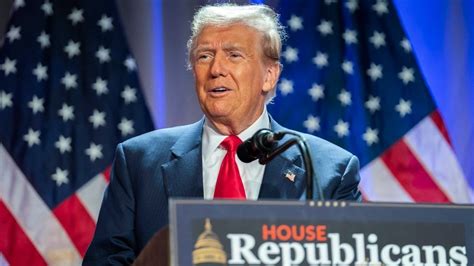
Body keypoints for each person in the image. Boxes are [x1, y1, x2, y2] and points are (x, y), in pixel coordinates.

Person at [83, 3, 361, 264]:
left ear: (269, 75)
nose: (216, 69)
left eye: (234, 55)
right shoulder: (138, 161)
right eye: (204, 56)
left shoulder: (329, 170)